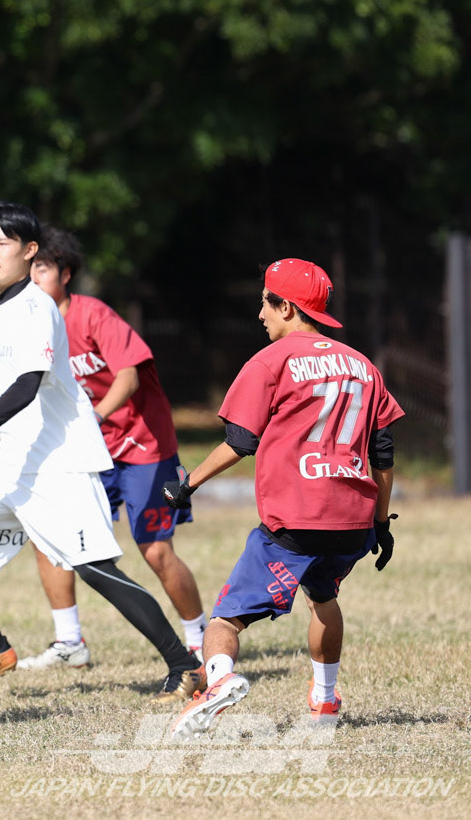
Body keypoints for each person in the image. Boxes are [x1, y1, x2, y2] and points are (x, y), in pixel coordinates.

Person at [0, 202, 201, 701]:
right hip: (15, 463)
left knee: (95, 571)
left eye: (3, 243)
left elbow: (28, 387)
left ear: (29, 251)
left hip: (62, 466)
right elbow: (9, 392)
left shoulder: (37, 308)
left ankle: (185, 664)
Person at [168, 259, 402, 741]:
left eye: (266, 303)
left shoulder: (271, 361)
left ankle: (219, 681)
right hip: (352, 523)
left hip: (296, 520)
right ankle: (326, 699)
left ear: (288, 307)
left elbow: (240, 442)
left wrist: (189, 483)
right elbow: (383, 455)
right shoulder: (363, 366)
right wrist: (381, 523)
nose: (260, 314)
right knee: (323, 596)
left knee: (225, 619)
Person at [16, 227, 206, 679]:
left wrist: (95, 416)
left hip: (143, 443)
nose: (34, 278)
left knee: (155, 550)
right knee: (49, 536)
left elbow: (129, 377)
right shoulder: (29, 326)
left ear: (65, 273)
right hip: (87, 450)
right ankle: (69, 643)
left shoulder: (93, 315)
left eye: (42, 268)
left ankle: (200, 640)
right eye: (29, 269)